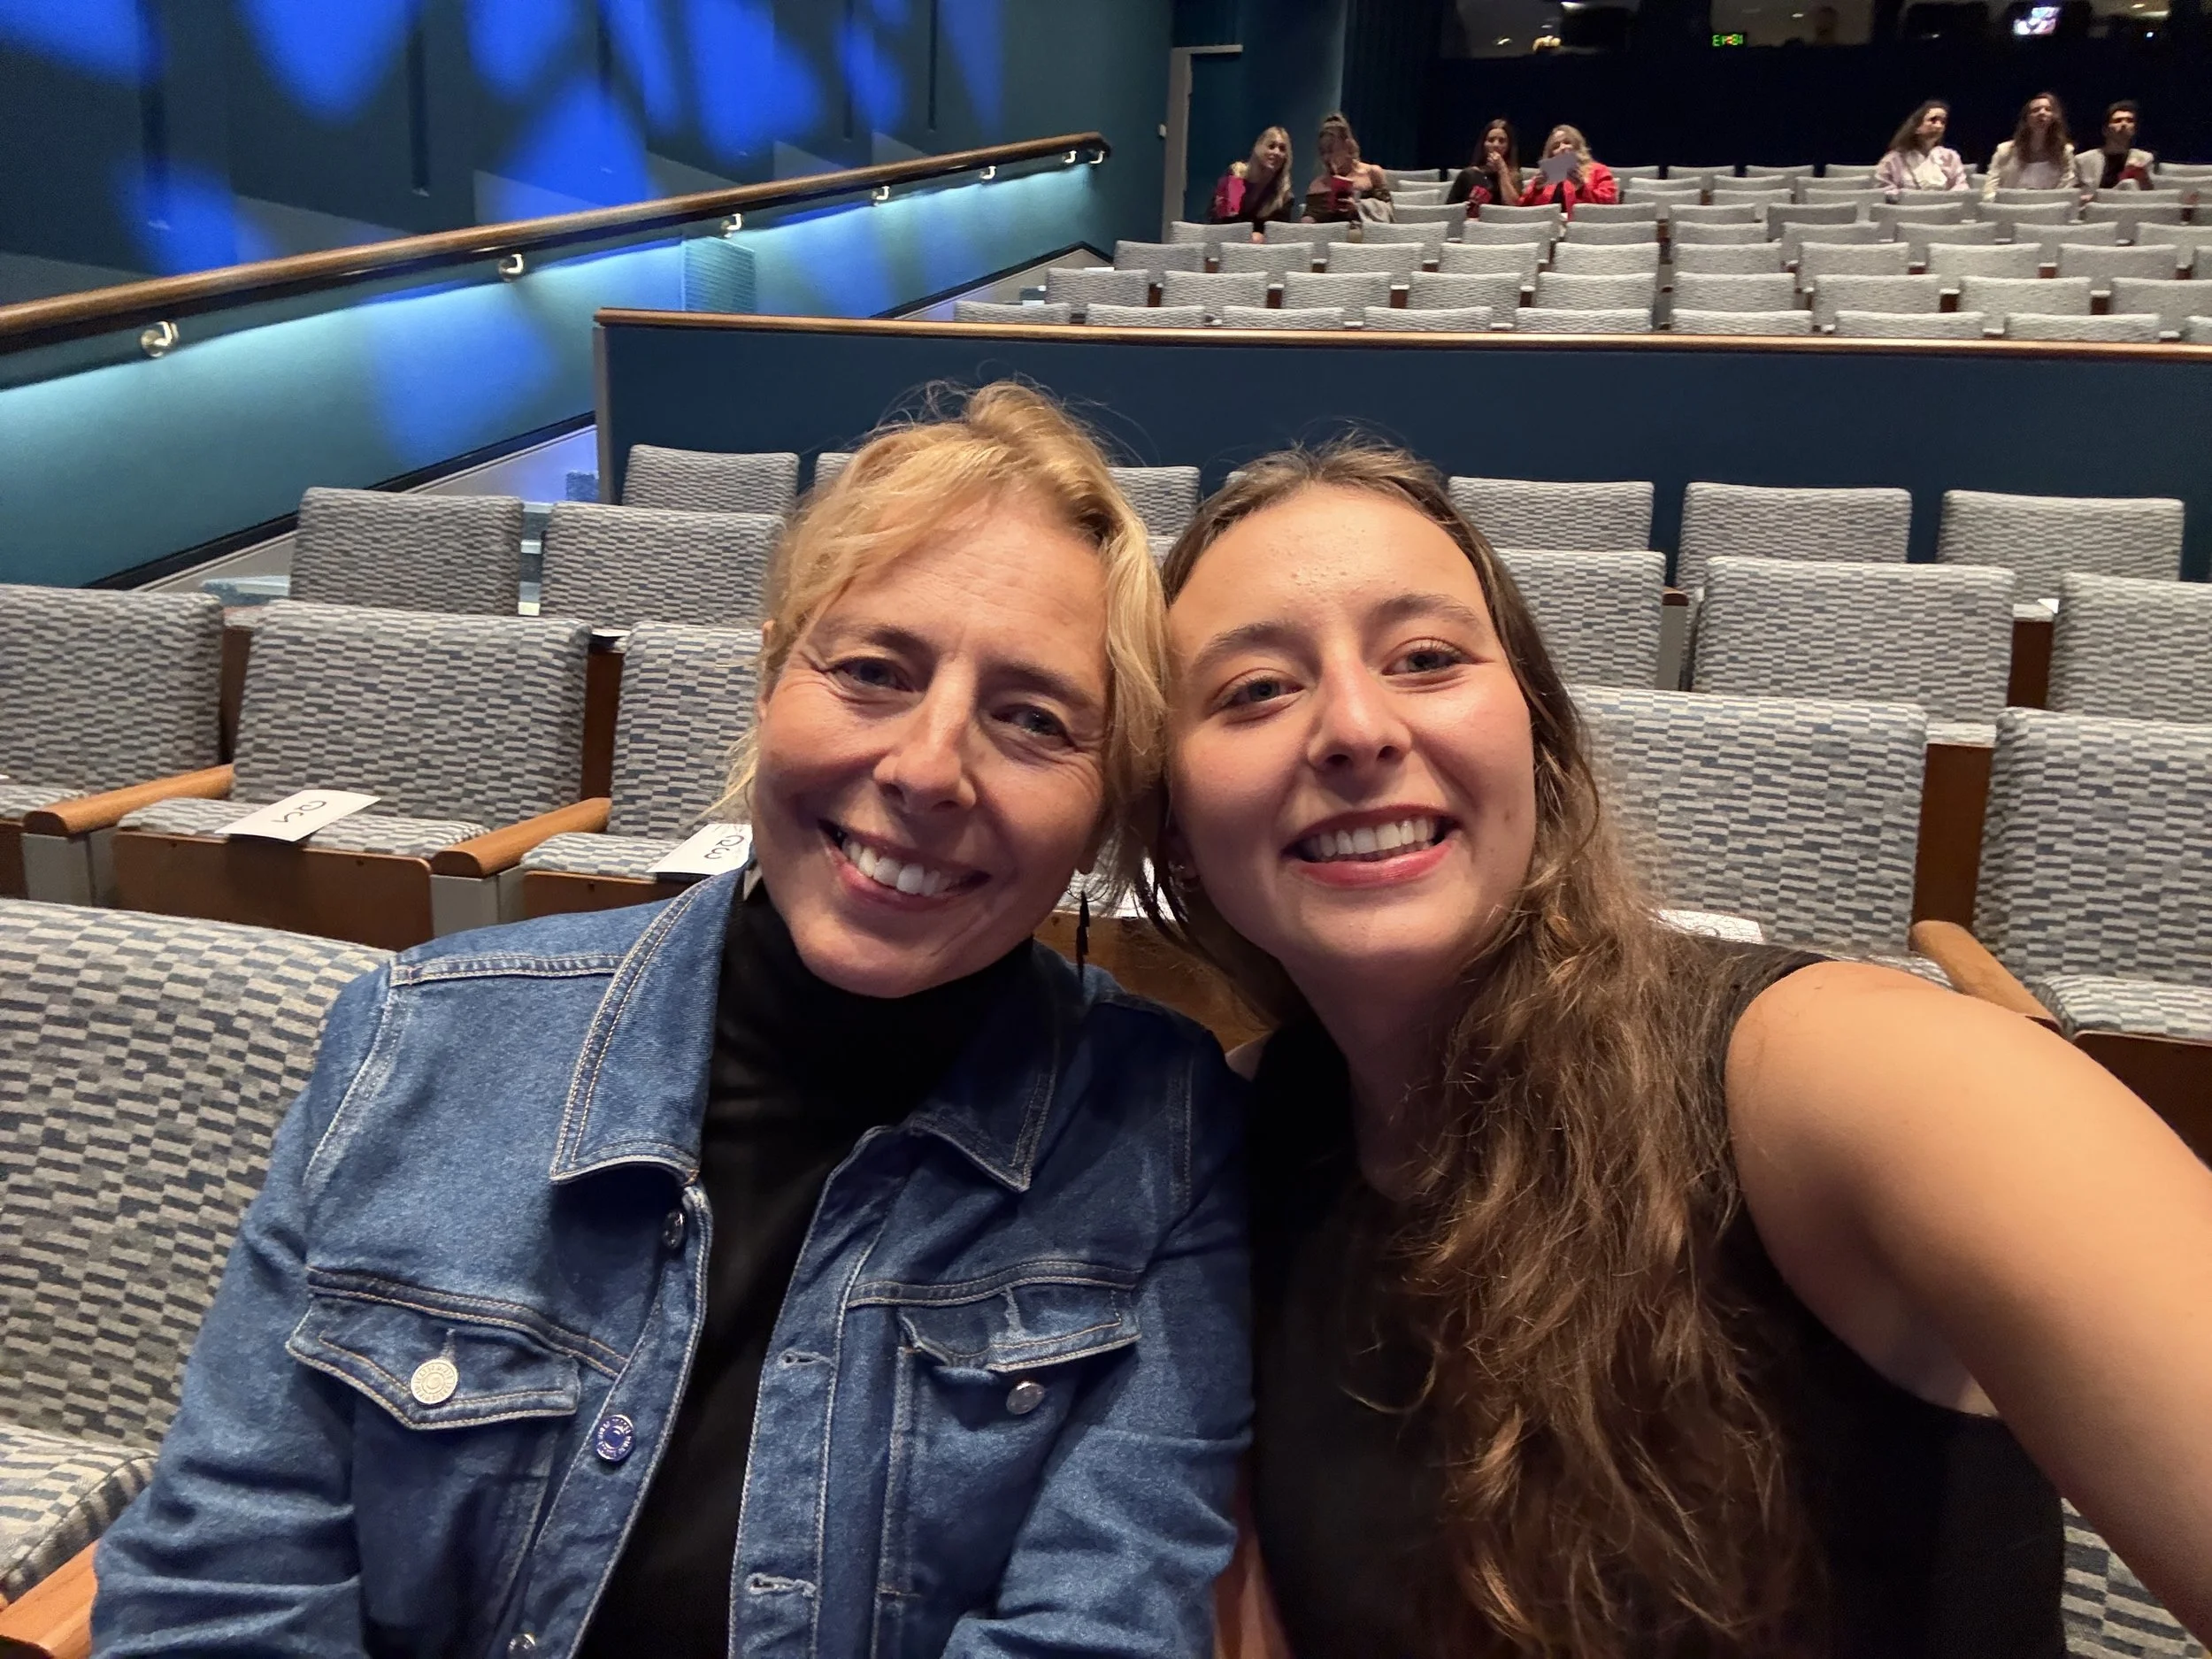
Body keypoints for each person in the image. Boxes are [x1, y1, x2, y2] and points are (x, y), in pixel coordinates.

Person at [92, 385, 1252, 1659]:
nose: (927, 767)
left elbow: (1096, 1628)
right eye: (873, 670)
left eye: (1033, 718)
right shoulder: (409, 1044)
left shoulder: (1166, 1130)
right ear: (766, 680)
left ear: (1104, 810)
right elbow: (221, 1589)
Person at [1151, 443, 2212, 1658]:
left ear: (1540, 750)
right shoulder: (1224, 1148)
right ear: (1174, 829)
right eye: (1252, 690)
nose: (1352, 725)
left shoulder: (1852, 1078)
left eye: (1429, 657)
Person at [1984, 90, 2076, 196]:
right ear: (2026, 119)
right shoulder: (2005, 150)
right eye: (2035, 110)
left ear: (2055, 117)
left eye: (2048, 109)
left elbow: (2065, 190)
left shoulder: (2065, 152)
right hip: (2009, 208)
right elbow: (1990, 189)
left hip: (2050, 209)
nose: (2042, 113)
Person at [1210, 126, 1299, 234]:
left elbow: (1277, 237)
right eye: (1271, 146)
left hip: (1260, 250)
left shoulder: (1284, 195)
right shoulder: (1236, 174)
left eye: (1282, 149)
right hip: (1226, 239)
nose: (1276, 152)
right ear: (1259, 148)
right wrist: (1217, 211)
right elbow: (1216, 221)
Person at [1306, 111, 1391, 223]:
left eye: (1331, 150)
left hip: (1367, 236)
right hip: (1331, 236)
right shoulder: (1317, 185)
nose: (1326, 157)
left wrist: (1358, 208)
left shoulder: (1372, 174)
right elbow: (1309, 221)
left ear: (1347, 145)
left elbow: (1388, 210)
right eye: (1323, 152)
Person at [1876, 99, 1972, 195]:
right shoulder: (1893, 161)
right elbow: (1884, 192)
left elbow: (1961, 187)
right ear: (1916, 127)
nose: (1939, 126)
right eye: (1933, 120)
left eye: (1943, 122)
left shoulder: (1950, 157)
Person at [1516, 124, 1618, 211]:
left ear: (1577, 145)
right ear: (1552, 154)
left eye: (1567, 142)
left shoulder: (1599, 170)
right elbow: (1524, 210)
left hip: (1585, 227)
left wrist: (1582, 188)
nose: (1562, 148)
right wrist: (1536, 190)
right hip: (1549, 227)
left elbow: (1609, 206)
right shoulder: (1544, 175)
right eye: (1556, 146)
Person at [2077, 99, 2157, 190]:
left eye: (2129, 121)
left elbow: (2150, 195)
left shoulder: (2144, 159)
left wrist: (2143, 178)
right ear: (2105, 130)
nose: (2124, 124)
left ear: (2134, 130)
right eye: (2117, 121)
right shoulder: (2083, 160)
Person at [1446, 119, 1523, 211]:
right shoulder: (1469, 175)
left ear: (1509, 146)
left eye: (1502, 141)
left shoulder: (1515, 176)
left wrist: (1502, 170)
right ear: (1483, 144)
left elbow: (1514, 209)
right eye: (1491, 140)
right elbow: (1449, 212)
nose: (1496, 145)